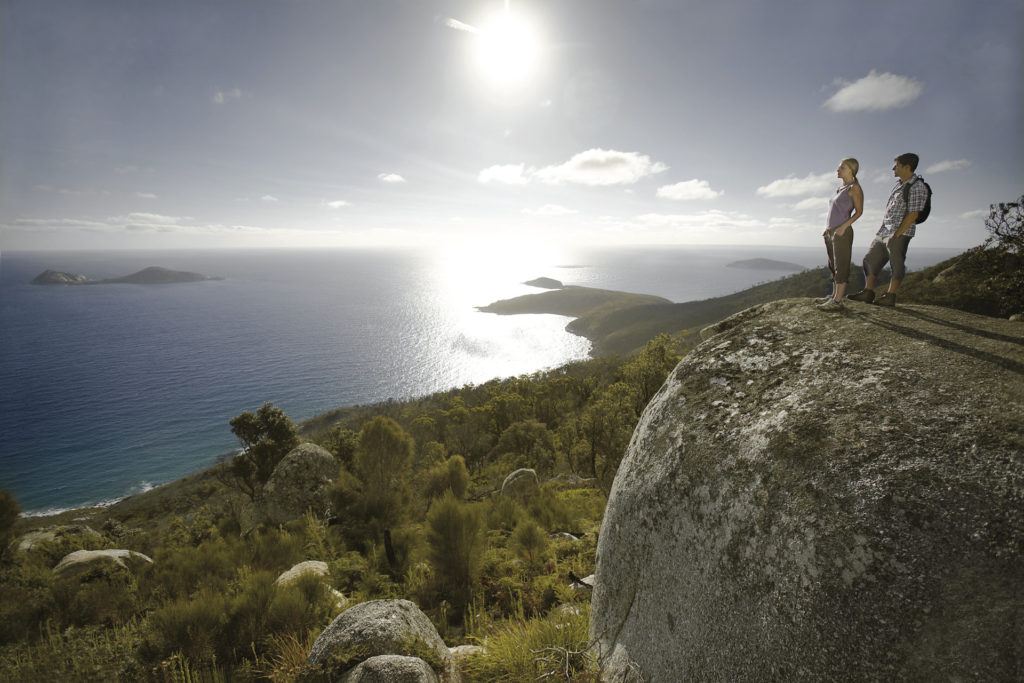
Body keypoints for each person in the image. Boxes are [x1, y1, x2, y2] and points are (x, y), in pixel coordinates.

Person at [848, 153, 928, 307]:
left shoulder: (917, 186)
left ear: (906, 167)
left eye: (896, 165)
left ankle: (890, 295)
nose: (893, 168)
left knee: (896, 264)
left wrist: (897, 234)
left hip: (899, 233)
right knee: (869, 260)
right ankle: (868, 292)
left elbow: (913, 214)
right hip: (884, 231)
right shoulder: (899, 185)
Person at [817, 158, 864, 311]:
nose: (838, 170)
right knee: (833, 265)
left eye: (841, 167)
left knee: (841, 265)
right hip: (831, 231)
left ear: (851, 170)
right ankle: (834, 296)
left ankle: (837, 301)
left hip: (842, 231)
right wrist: (827, 229)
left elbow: (859, 212)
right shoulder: (840, 188)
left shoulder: (854, 188)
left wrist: (843, 227)